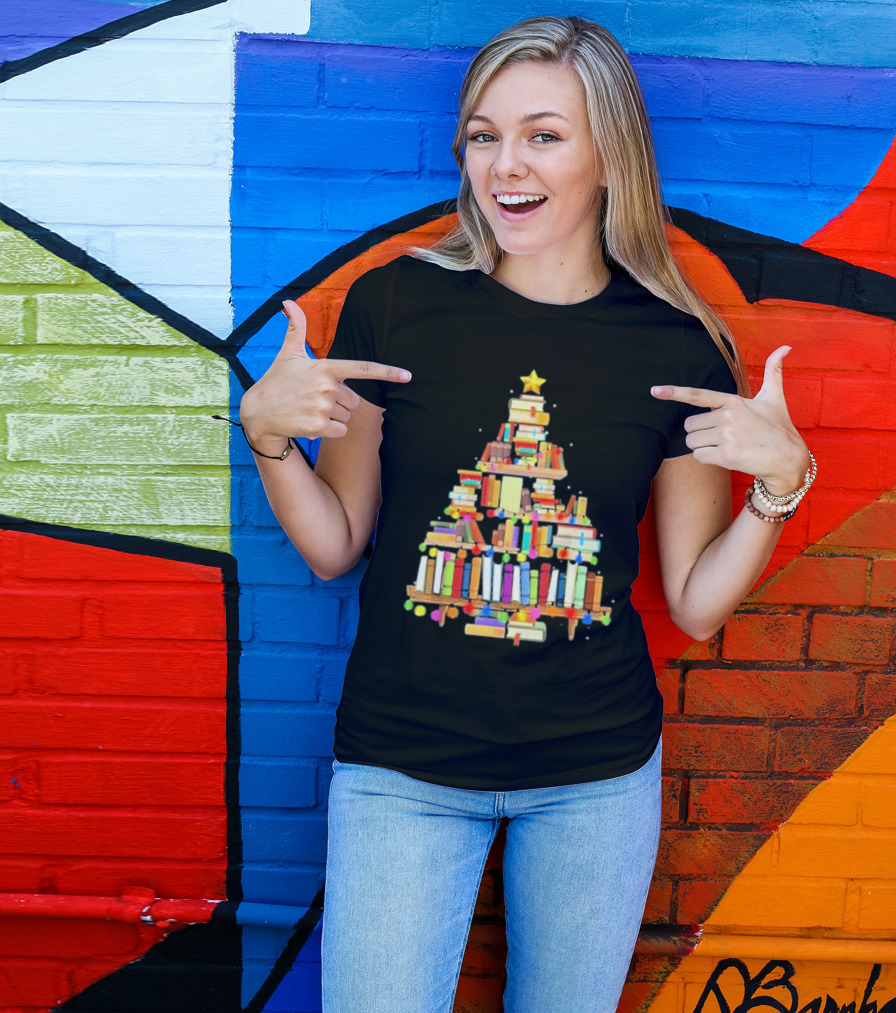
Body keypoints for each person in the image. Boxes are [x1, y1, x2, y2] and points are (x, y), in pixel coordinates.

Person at [238, 15, 813, 1013]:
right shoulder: (396, 305)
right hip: (402, 766)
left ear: (608, 157)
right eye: (482, 134)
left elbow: (698, 602)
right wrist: (270, 440)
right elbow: (335, 546)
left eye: (544, 134)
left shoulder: (675, 348)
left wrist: (779, 486)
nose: (506, 165)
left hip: (595, 777)